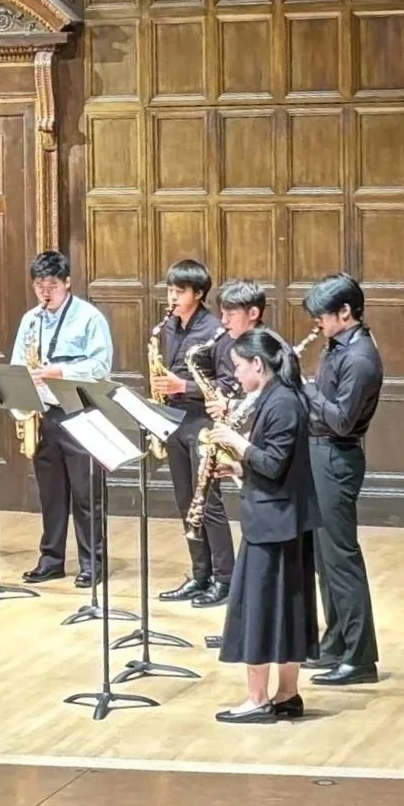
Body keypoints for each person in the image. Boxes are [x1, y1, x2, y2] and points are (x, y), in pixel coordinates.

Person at [206, 327, 322, 723]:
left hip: (274, 523)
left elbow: (272, 463)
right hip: (284, 516)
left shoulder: (282, 403)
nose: (236, 374)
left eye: (239, 366)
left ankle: (258, 699)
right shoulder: (279, 398)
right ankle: (287, 695)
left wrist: (236, 443)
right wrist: (239, 468)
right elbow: (277, 466)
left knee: (256, 609)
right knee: (288, 608)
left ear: (258, 364)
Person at [11, 249, 112, 588]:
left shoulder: (89, 317)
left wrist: (60, 371)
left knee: (86, 495)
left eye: (52, 284)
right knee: (51, 496)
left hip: (80, 411)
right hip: (44, 415)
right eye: (39, 285)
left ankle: (92, 563)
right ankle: (51, 559)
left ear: (68, 282)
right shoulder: (31, 320)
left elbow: (100, 366)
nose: (45, 292)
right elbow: (17, 366)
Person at [301, 272, 383, 687]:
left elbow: (343, 420)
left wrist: (304, 388)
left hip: (336, 457)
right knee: (324, 559)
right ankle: (335, 642)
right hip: (319, 455)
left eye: (322, 316)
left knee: (342, 559)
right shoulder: (337, 346)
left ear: (346, 312)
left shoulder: (360, 358)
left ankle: (360, 657)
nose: (318, 323)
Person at [153, 259, 232, 608]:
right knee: (186, 502)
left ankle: (225, 579)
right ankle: (199, 575)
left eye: (179, 291)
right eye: (170, 290)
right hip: (173, 418)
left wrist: (181, 384)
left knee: (208, 503)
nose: (172, 297)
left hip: (201, 421)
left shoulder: (214, 330)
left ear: (198, 294)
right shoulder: (168, 326)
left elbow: (227, 384)